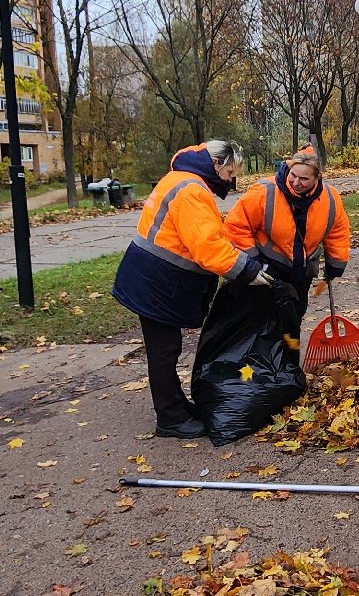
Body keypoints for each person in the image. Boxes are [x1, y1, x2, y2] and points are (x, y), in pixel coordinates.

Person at [111, 141, 270, 438]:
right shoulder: (192, 191)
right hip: (157, 282)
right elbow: (207, 248)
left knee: (166, 349)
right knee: (164, 351)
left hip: (152, 277)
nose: (230, 180)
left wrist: (241, 257)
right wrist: (247, 271)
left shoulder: (183, 179)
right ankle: (170, 418)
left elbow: (206, 235)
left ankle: (177, 408)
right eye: (230, 172)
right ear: (217, 165)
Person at [223, 147, 351, 336]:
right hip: (268, 267)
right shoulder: (265, 192)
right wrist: (253, 262)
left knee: (294, 316)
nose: (296, 182)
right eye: (293, 175)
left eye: (304, 179)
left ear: (317, 178)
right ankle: (263, 360)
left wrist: (336, 263)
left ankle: (288, 359)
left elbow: (337, 231)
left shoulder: (330, 198)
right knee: (265, 318)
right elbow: (235, 226)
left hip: (302, 269)